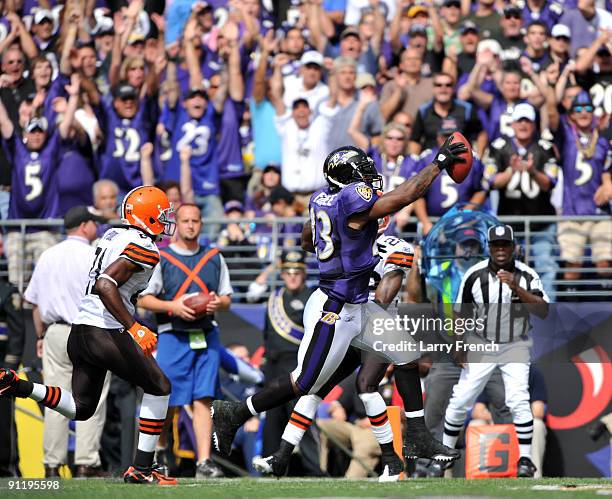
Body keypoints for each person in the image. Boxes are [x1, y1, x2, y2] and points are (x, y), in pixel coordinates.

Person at [212, 138, 469, 481]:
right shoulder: (351, 200)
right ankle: (234, 413)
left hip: (360, 305)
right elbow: (405, 196)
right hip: (336, 308)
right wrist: (437, 163)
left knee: (406, 354)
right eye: (360, 171)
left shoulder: (322, 199)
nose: (367, 175)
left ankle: (419, 436)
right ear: (345, 178)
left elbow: (307, 239)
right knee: (304, 382)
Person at [0, 186, 178, 486]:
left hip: (79, 331)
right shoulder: (144, 246)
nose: (164, 219)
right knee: (159, 387)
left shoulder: (113, 235)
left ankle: (22, 387)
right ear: (147, 215)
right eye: (161, 214)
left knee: (81, 409)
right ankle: (143, 468)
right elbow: (106, 285)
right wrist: (133, 326)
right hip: (103, 329)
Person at [253, 229, 459, 480]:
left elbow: (384, 297)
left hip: (378, 325)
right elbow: (311, 244)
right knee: (315, 386)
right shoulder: (346, 240)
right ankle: (282, 455)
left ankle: (392, 459)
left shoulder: (395, 246)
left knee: (367, 386)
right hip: (347, 321)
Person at [442, 224, 549, 478]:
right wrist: (458, 344)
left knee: (518, 399)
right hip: (481, 342)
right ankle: (445, 455)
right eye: (496, 245)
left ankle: (525, 460)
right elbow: (460, 312)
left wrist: (516, 288)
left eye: (505, 245)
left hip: (515, 343)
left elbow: (543, 310)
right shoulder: (475, 274)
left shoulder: (526, 275)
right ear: (489, 248)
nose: (501, 250)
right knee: (461, 398)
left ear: (513, 247)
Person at [138, 203, 233, 479]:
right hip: (172, 335)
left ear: (201, 224)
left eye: (195, 220)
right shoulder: (162, 257)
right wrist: (173, 306)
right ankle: (160, 452)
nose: (191, 225)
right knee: (167, 400)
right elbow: (144, 299)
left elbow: (227, 297)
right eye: (186, 220)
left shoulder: (214, 256)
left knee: (204, 399)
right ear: (176, 224)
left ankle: (204, 462)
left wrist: (217, 303)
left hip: (206, 335)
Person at [24, 206, 109, 478]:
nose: (95, 226)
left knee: (54, 399)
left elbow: (34, 302)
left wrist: (40, 335)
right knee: (90, 399)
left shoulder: (48, 255)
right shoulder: (94, 254)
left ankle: (52, 464)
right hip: (89, 332)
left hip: (55, 331)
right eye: (93, 222)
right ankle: (85, 462)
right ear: (84, 225)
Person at [246, 250, 321, 475]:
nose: (292, 276)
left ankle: (314, 470)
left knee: (301, 418)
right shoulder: (275, 298)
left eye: (297, 271)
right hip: (275, 367)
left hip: (298, 365)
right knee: (273, 420)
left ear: (304, 272)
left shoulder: (313, 297)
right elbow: (253, 298)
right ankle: (272, 467)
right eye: (287, 272)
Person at [486, 103, 559, 299]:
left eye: (528, 120)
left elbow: (549, 184)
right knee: (507, 268)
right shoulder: (498, 147)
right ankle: (505, 309)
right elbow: (491, 182)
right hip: (509, 223)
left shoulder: (545, 148)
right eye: (520, 120)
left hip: (541, 221)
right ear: (512, 123)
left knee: (545, 265)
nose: (524, 125)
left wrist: (532, 171)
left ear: (534, 124)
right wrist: (511, 170)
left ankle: (548, 310)